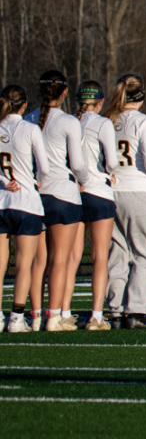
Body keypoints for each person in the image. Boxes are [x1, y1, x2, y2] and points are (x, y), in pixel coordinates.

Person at [102, 74, 146, 329]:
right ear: (141, 96)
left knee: (118, 253)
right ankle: (137, 311)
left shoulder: (108, 119)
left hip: (112, 191)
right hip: (140, 190)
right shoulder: (144, 121)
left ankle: (116, 311)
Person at [30, 71, 84, 332]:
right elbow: (78, 164)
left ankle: (36, 315)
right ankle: (54, 317)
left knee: (38, 262)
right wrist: (84, 180)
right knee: (59, 260)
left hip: (36, 196)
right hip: (63, 194)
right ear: (64, 92)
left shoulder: (29, 118)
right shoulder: (68, 122)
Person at [1, 85, 49, 333]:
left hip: (1, 202)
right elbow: (44, 167)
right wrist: (36, 179)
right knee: (24, 264)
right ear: (23, 105)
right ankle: (16, 318)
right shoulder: (29, 128)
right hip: (25, 203)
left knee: (0, 264)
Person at [71, 80, 117, 329]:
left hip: (75, 193)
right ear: (100, 103)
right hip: (98, 191)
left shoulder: (71, 120)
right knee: (100, 258)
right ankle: (97, 316)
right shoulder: (103, 123)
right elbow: (111, 162)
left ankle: (63, 312)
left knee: (71, 258)